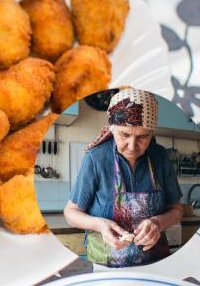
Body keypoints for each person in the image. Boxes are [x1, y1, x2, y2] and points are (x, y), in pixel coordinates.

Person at [63, 88, 183, 267]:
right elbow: (71, 213)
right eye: (124, 135)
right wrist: (99, 225)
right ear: (112, 129)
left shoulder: (161, 157)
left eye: (142, 136)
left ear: (152, 133)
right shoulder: (96, 158)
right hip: (106, 264)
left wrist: (158, 223)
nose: (132, 145)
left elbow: (177, 210)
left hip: (155, 263)